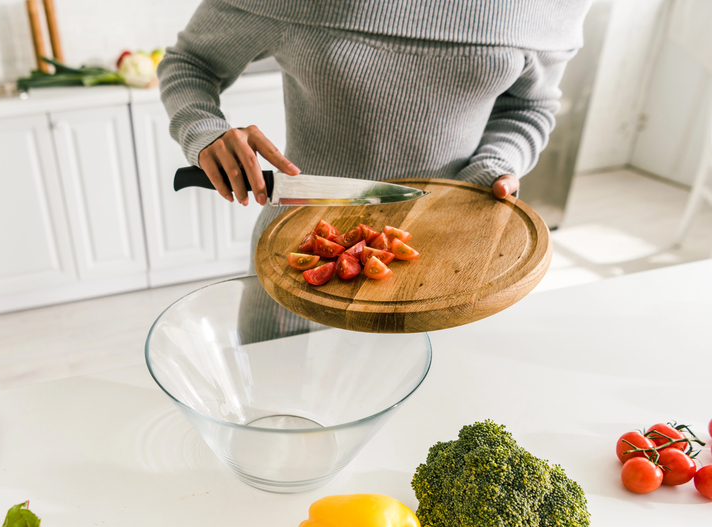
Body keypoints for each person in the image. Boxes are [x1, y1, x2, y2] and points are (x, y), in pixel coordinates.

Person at [158, 0, 590, 341]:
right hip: (299, 248)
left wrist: (497, 162)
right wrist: (206, 131)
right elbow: (190, 62)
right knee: (274, 405)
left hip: (444, 265)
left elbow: (530, 105)